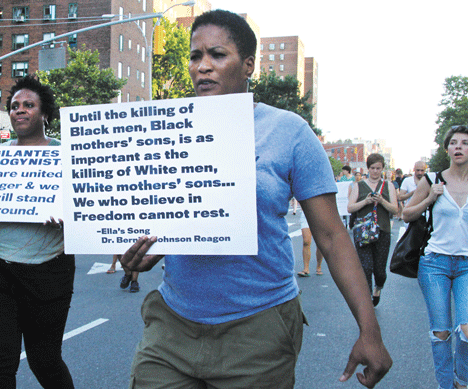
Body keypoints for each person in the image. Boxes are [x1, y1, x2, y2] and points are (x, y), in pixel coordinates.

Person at [118, 10, 391, 389]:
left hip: (258, 331)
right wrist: (148, 251)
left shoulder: (289, 132)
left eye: (217, 54)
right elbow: (179, 215)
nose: (204, 67)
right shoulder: (167, 130)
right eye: (196, 57)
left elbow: (330, 235)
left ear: (248, 65)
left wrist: (369, 330)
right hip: (171, 326)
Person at [0, 75, 75, 389]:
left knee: (44, 360)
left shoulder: (65, 156)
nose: (19, 110)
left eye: (28, 105)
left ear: (44, 114)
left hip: (49, 270)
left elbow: (83, 214)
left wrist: (68, 218)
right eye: (14, 106)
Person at [403, 125, 468, 389]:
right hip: (435, 264)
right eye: (454, 143)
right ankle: (445, 385)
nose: (459, 147)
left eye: (465, 142)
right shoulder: (431, 180)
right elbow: (406, 214)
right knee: (441, 332)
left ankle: (461, 380)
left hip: (466, 265)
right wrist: (430, 198)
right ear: (447, 149)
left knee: (466, 331)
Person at [347, 153, 398, 307]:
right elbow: (350, 208)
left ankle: (378, 288)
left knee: (380, 270)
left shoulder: (388, 186)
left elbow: (395, 210)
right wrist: (366, 201)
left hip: (382, 231)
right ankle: (367, 300)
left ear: (382, 169)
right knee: (366, 267)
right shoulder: (358, 186)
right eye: (372, 168)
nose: (375, 171)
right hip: (363, 232)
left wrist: (382, 200)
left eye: (378, 168)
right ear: (367, 168)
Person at [297, 212, 324, 277]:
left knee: (319, 242)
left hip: (320, 214)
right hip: (306, 214)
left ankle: (319, 266)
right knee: (306, 241)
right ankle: (306, 269)